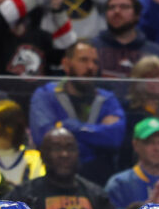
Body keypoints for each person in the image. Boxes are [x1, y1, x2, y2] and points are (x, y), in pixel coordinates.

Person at [28, 42, 126, 184]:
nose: (90, 67)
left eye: (95, 62)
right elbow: (44, 138)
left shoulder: (107, 99)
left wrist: (69, 126)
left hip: (98, 179)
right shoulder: (45, 95)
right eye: (83, 60)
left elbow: (114, 137)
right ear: (66, 64)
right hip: (53, 178)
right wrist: (96, 137)